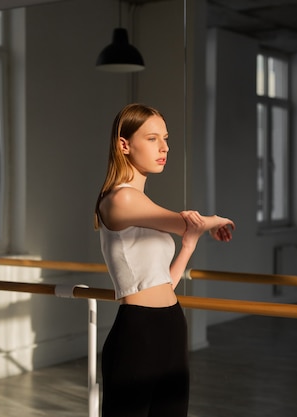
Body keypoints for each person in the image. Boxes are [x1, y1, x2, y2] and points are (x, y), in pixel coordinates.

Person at [94, 103, 235, 417]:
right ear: (124, 144)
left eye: (166, 138)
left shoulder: (142, 201)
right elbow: (184, 221)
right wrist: (213, 221)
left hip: (171, 323)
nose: (165, 147)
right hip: (138, 332)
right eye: (153, 138)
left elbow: (163, 283)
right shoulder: (120, 198)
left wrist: (188, 245)